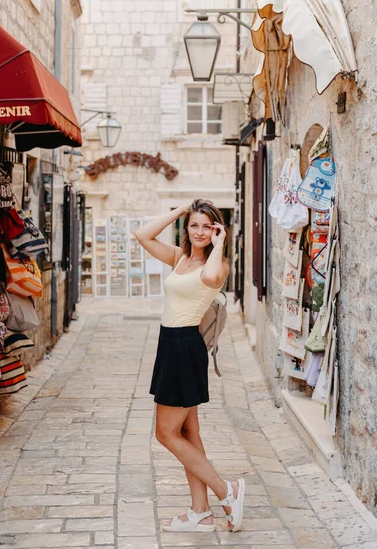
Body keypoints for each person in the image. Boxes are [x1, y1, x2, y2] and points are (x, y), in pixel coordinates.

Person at [135, 198, 245, 533]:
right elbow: (142, 235)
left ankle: (228, 491)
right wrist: (180, 210)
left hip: (185, 347)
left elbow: (212, 277)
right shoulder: (180, 257)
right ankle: (200, 512)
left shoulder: (218, 265)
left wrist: (220, 243)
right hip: (169, 345)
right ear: (187, 227)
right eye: (194, 225)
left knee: (165, 432)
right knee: (187, 431)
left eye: (206, 226)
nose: (199, 232)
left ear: (216, 230)